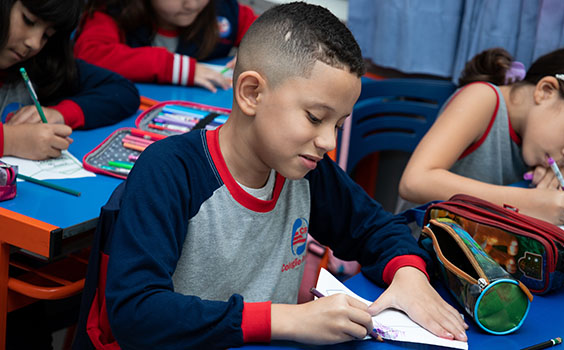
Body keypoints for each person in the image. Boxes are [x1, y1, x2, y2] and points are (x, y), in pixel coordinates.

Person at [99, 2, 468, 348]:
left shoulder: (305, 171)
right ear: (252, 93)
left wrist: (409, 275)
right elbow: (137, 313)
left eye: (338, 125)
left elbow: (375, 227)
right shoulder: (170, 171)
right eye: (314, 117)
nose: (328, 141)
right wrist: (288, 320)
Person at [398, 46, 564, 225]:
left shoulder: (547, 140)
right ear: (545, 91)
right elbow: (414, 182)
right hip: (417, 250)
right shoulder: (482, 100)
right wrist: (524, 202)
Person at [1, 0, 140, 161]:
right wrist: (11, 140)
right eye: (29, 21)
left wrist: (59, 113)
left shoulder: (40, 64)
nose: (34, 43)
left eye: (47, 35)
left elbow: (122, 91)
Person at [74, 0, 257, 93]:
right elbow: (89, 54)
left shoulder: (224, 9)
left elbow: (269, 32)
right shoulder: (113, 11)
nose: (191, 4)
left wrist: (255, 53)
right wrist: (174, 68)